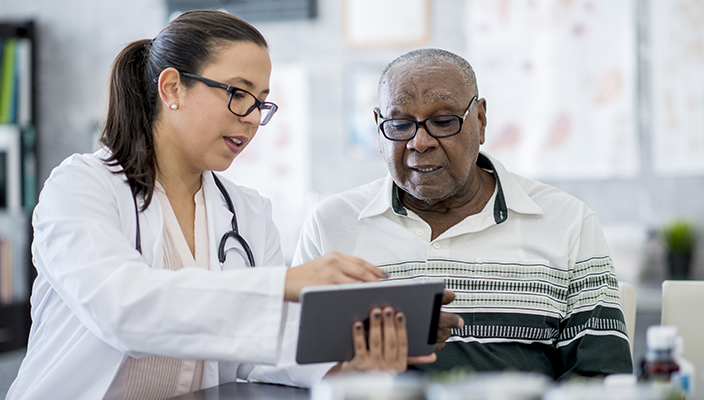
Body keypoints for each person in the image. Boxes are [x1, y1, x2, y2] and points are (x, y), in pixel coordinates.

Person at [6, 11, 428, 400]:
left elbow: (258, 347)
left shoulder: (247, 211)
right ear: (172, 88)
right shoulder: (81, 186)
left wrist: (348, 359)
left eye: (260, 102)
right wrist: (281, 285)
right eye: (238, 93)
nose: (250, 117)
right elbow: (123, 310)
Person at [293, 48, 633, 379]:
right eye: (399, 124)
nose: (419, 142)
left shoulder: (567, 222)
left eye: (443, 122)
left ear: (481, 120)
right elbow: (290, 367)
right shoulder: (331, 224)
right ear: (379, 127)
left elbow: (601, 379)